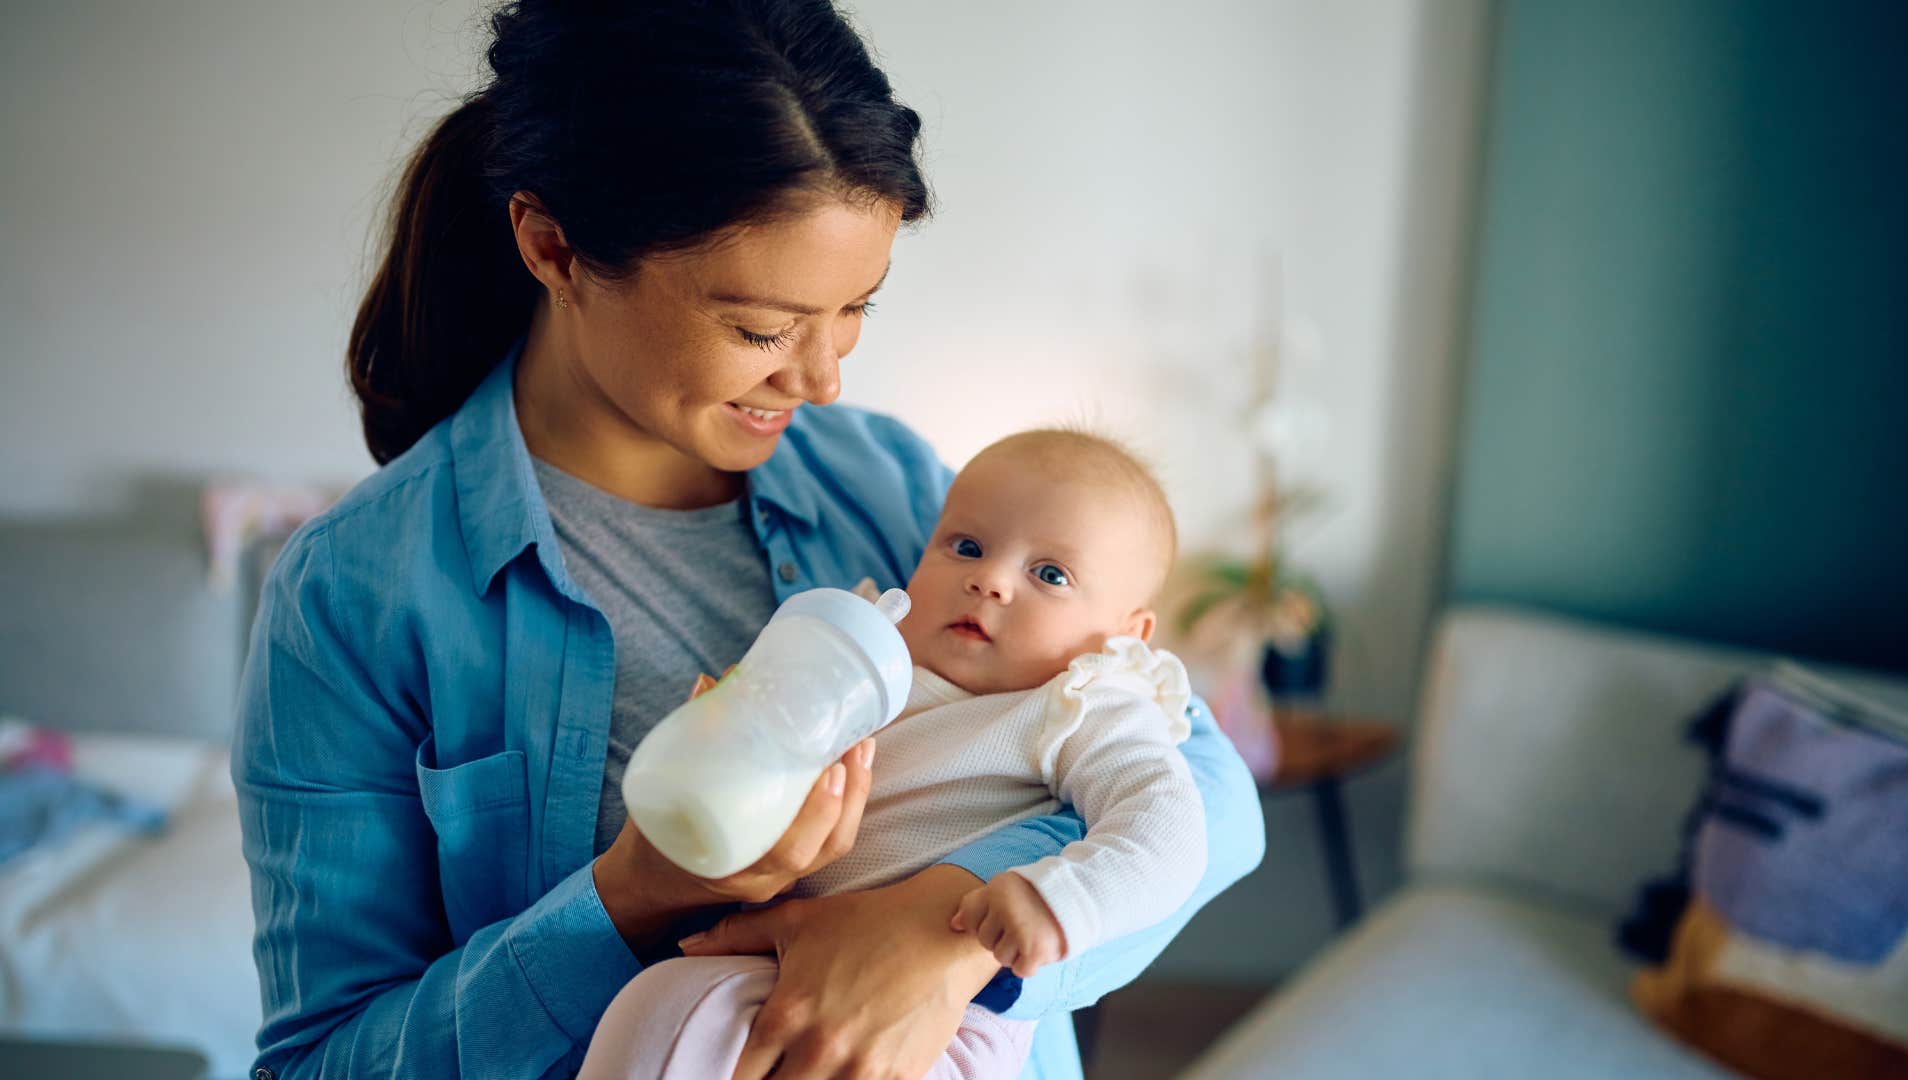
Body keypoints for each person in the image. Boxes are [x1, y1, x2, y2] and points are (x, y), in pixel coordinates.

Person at [231, 2, 1265, 1078]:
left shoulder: (895, 488)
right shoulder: (359, 594)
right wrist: (632, 898)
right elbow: (319, 1062)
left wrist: (940, 933)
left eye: (856, 309)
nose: (821, 381)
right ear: (554, 247)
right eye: (762, 329)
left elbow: (1211, 802)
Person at [580, 430, 1208, 1078]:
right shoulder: (868, 645)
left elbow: (1169, 825)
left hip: (947, 1017)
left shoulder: (1083, 703)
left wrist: (1060, 899)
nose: (988, 580)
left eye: (1050, 574)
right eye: (966, 547)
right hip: (771, 959)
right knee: (654, 1010)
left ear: (1125, 635)